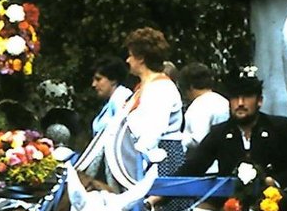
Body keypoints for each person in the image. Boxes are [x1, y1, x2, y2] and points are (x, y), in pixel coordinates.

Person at [184, 70, 287, 211]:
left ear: (259, 101)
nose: (240, 103)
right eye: (235, 98)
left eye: (247, 97)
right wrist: (156, 195)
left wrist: (273, 181)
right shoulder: (220, 133)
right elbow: (193, 168)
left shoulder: (280, 127)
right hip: (231, 210)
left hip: (276, 210)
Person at [119, 27, 185, 156]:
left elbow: (153, 132)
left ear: (141, 58)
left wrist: (135, 159)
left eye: (131, 55)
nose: (128, 60)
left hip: (157, 162)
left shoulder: (161, 88)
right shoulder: (144, 86)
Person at [176, 62, 231, 151]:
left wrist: (178, 138)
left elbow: (198, 139)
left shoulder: (198, 107)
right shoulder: (223, 101)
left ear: (190, 87)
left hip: (205, 160)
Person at [89, 56, 132, 136]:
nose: (94, 84)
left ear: (113, 80)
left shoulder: (122, 99)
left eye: (98, 79)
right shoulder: (111, 102)